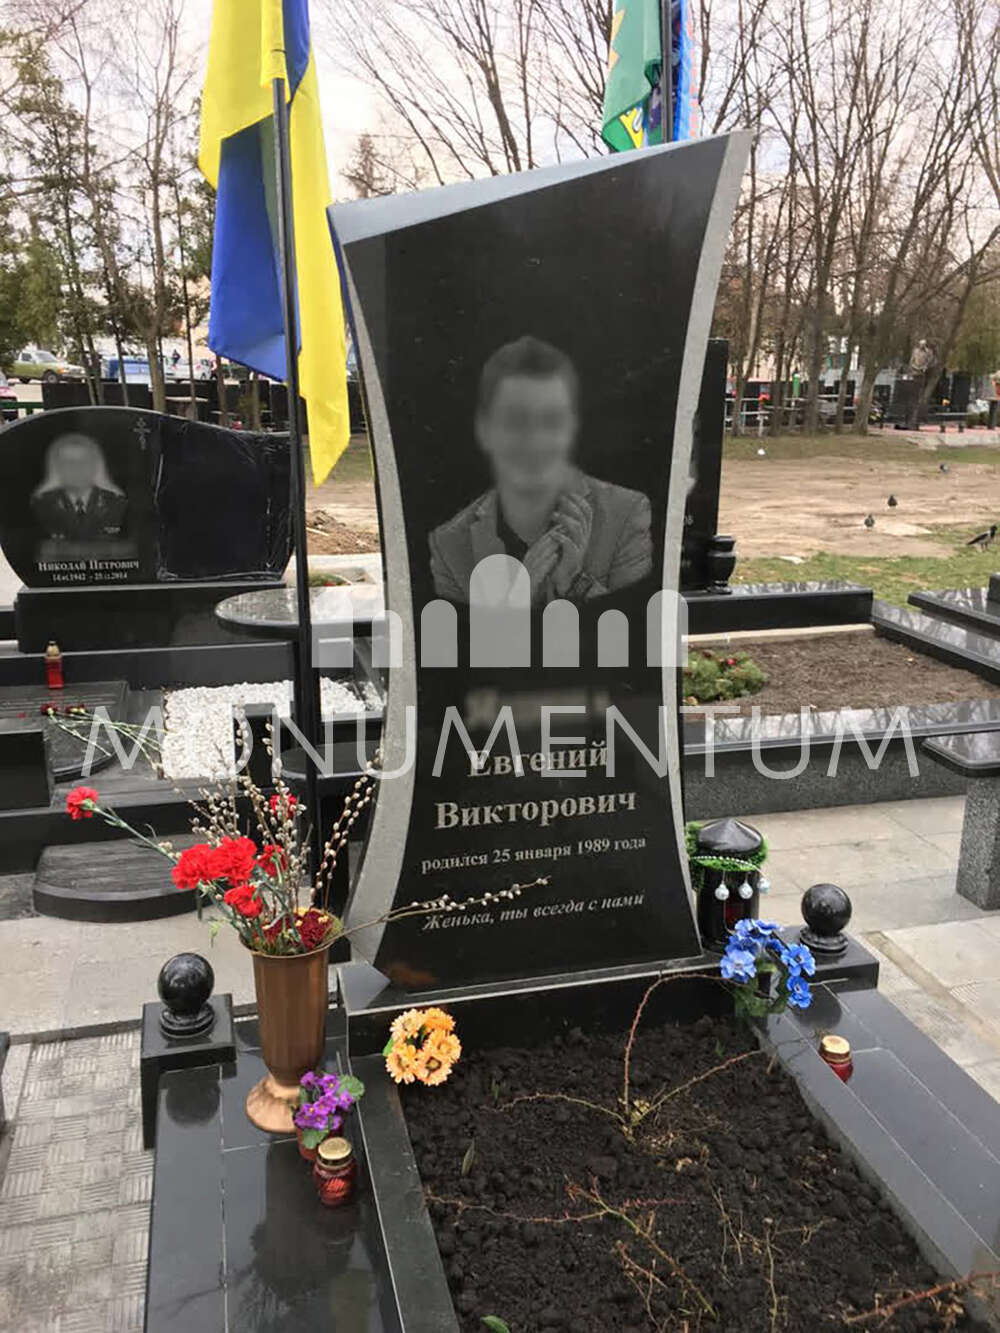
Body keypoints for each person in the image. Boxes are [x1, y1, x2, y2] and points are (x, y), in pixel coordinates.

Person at [429, 336, 652, 604]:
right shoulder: (450, 545)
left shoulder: (626, 515)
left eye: (551, 421)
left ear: (571, 428)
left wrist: (575, 583)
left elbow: (636, 627)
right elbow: (455, 632)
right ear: (484, 429)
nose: (534, 441)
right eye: (515, 421)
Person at [32, 433, 127, 544]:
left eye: (84, 461)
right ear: (56, 467)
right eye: (68, 462)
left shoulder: (116, 502)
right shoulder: (42, 503)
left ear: (96, 466)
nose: (76, 467)